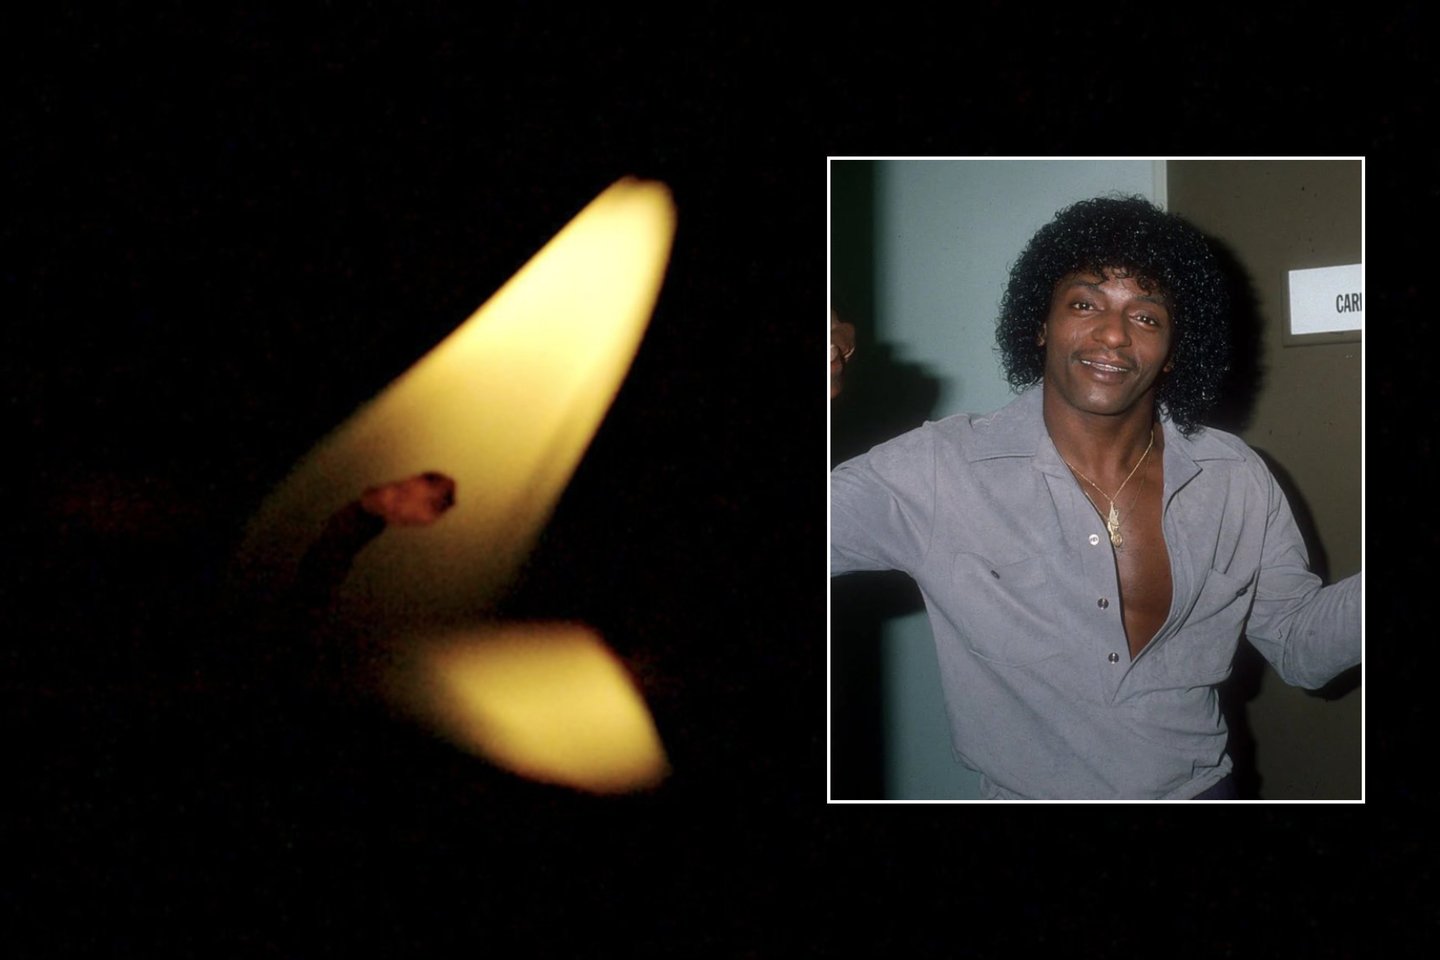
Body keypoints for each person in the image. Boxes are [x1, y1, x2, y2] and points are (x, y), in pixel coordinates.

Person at [829, 196, 1360, 800]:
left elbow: (1299, 644)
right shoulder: (936, 469)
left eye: (1146, 316)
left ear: (1174, 351)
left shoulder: (1234, 476)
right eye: (1085, 304)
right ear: (1040, 323)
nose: (1112, 334)